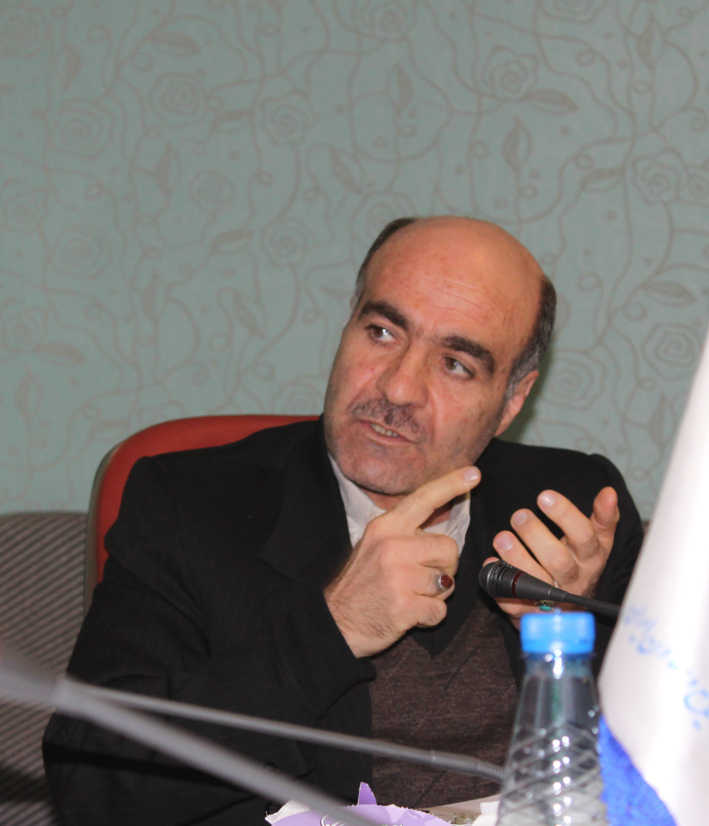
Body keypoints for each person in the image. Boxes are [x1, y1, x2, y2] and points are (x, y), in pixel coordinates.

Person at [43, 216, 644, 825]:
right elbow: (90, 786)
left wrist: (578, 645)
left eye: (456, 364)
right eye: (382, 332)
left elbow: (666, 757)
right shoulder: (191, 505)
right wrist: (334, 630)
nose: (399, 387)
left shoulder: (575, 512)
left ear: (512, 401)